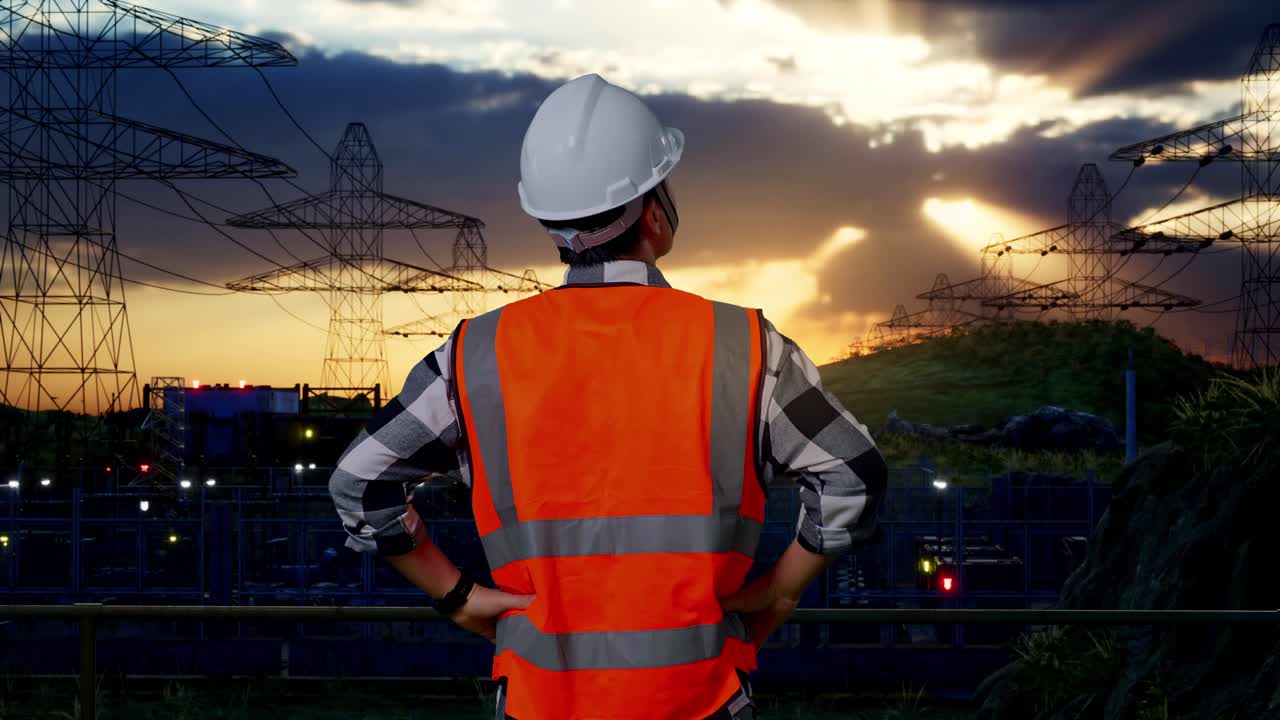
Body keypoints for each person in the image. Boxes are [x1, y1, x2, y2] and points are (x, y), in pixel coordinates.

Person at [328, 73, 886, 720]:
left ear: (552, 224)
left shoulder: (473, 355)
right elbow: (853, 474)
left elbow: (359, 483)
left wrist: (456, 597)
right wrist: (779, 593)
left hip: (541, 701)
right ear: (654, 211)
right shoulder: (745, 346)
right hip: (700, 699)